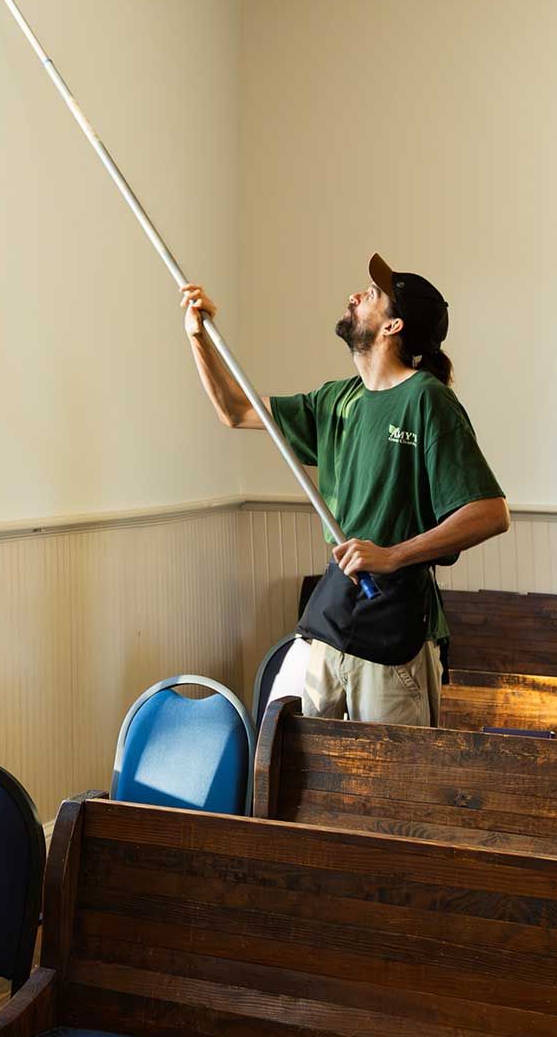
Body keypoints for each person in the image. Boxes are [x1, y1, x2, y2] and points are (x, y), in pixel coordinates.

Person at [182, 254, 510, 725]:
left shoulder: (427, 400)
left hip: (396, 627)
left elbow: (490, 512)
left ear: (393, 325)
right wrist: (199, 338)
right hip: (332, 616)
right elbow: (235, 411)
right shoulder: (338, 400)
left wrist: (393, 555)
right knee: (288, 764)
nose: (355, 297)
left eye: (372, 295)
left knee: (387, 788)